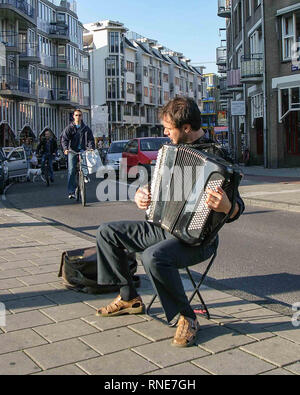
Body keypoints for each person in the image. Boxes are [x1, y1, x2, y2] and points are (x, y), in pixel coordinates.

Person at [95, 97, 245, 348]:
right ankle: (129, 298)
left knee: (153, 256)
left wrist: (228, 207)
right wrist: (143, 195)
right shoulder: (169, 151)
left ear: (186, 128)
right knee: (106, 232)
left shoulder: (218, 156)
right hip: (161, 227)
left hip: (198, 239)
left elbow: (238, 208)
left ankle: (187, 318)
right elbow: (157, 188)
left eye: (168, 128)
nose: (164, 132)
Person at [61, 109, 95, 199]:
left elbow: (91, 139)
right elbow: (64, 139)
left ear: (82, 116)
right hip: (72, 151)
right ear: (73, 116)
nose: (78, 117)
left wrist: (91, 147)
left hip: (83, 150)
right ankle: (71, 191)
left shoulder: (86, 128)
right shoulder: (70, 128)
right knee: (71, 170)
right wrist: (65, 149)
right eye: (76, 115)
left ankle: (85, 176)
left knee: (86, 164)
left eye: (79, 115)